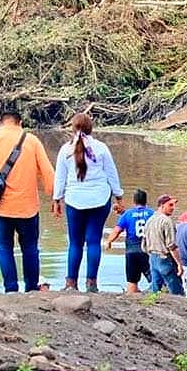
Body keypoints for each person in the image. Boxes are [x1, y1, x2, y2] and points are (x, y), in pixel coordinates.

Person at [0, 111, 55, 293]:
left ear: (0, 123)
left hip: (0, 208)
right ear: (20, 123)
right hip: (28, 208)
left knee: (3, 247)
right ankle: (31, 289)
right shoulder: (31, 141)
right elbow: (48, 175)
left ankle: (11, 289)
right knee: (30, 249)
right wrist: (56, 198)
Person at [53, 113, 124, 293]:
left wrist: (57, 199)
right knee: (93, 241)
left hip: (74, 200)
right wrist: (119, 196)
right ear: (90, 128)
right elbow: (111, 173)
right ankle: (92, 284)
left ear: (72, 129)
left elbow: (60, 178)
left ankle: (71, 284)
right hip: (100, 200)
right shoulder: (101, 148)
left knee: (75, 243)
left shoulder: (65, 150)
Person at [106, 189, 154, 294]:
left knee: (132, 280)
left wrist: (109, 241)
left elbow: (117, 230)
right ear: (146, 201)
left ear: (134, 201)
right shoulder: (152, 213)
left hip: (131, 250)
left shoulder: (127, 214)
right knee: (153, 278)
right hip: (146, 249)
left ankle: (132, 298)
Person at [142, 194, 185, 296]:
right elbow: (171, 246)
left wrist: (151, 254)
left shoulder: (150, 220)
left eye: (173, 205)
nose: (173, 208)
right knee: (176, 291)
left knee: (155, 291)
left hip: (152, 258)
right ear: (162, 205)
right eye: (170, 205)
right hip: (164, 258)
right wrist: (179, 263)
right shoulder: (167, 221)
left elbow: (144, 244)